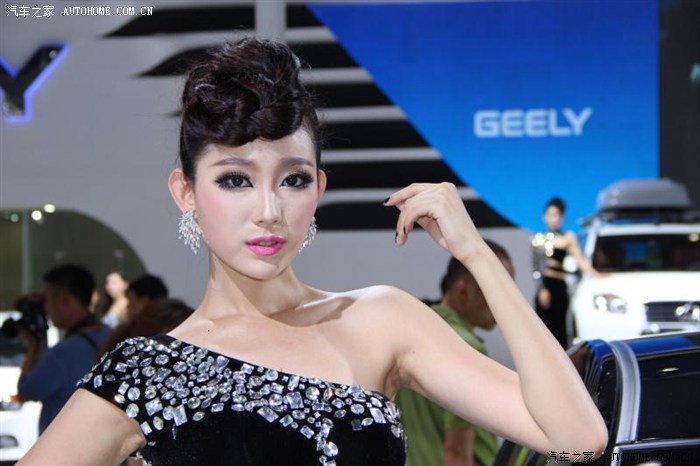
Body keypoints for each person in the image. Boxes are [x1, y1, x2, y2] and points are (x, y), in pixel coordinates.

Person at [18, 38, 607, 466]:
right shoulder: (146, 373)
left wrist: (476, 252)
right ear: (186, 192)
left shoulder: (380, 320)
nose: (269, 210)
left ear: (318, 189)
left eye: (293, 180)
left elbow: (578, 440)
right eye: (235, 180)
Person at [396, 240, 515, 466]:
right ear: (463, 290)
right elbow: (457, 452)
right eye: (497, 290)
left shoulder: (409, 333)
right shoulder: (465, 348)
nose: (505, 303)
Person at [16, 264, 110, 434]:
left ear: (65, 300)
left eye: (47, 300)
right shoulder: (113, 337)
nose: (46, 308)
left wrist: (34, 346)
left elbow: (26, 392)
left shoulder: (62, 354)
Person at [532, 197, 601, 348]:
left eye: (556, 215)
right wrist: (541, 289)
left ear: (561, 218)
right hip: (544, 286)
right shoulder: (538, 239)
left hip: (560, 286)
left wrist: (596, 274)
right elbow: (536, 268)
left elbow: (580, 260)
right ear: (544, 217)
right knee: (543, 329)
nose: (553, 218)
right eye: (550, 214)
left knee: (559, 327)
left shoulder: (567, 237)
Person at [98, 274, 170, 355]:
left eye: (130, 300)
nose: (127, 306)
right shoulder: (175, 331)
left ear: (144, 302)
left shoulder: (127, 335)